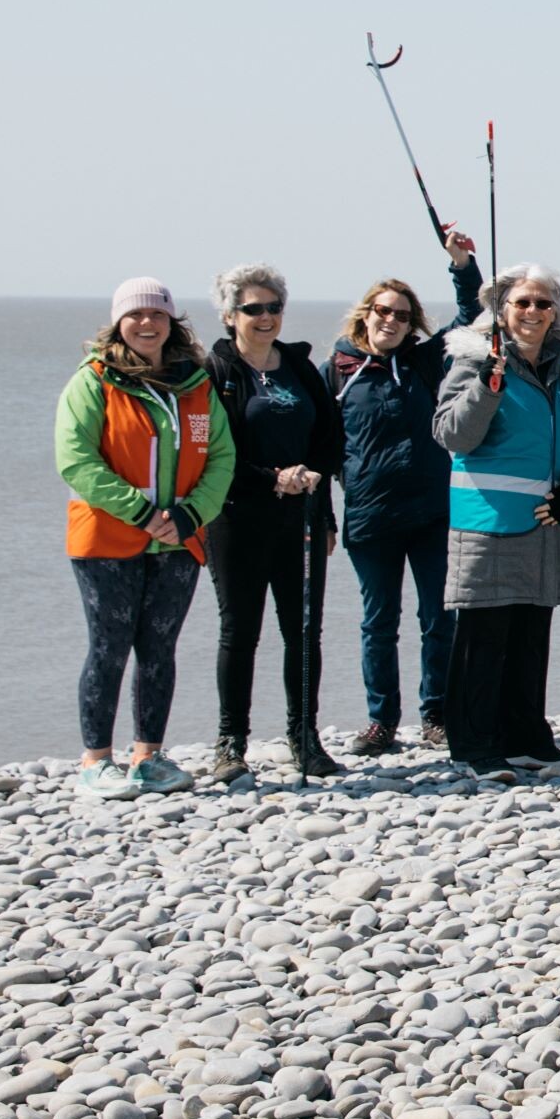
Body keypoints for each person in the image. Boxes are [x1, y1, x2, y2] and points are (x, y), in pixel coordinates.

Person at [56, 279, 230, 799]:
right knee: (109, 647)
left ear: (173, 324)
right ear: (119, 323)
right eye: (136, 316)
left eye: (158, 315)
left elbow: (220, 457)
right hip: (107, 540)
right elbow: (75, 459)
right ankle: (95, 761)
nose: (147, 324)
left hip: (179, 540)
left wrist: (191, 514)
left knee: (159, 647)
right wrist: (140, 510)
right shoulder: (93, 382)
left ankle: (148, 757)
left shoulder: (195, 385)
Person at [434, 264, 560, 770]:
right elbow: (451, 435)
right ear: (501, 309)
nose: (533, 311)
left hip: (551, 524)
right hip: (488, 523)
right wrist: (485, 390)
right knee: (483, 638)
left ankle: (527, 737)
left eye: (543, 303)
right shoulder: (474, 360)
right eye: (523, 303)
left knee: (531, 635)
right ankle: (475, 746)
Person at [331, 234, 484, 754]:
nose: (390, 321)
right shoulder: (339, 370)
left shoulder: (423, 362)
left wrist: (462, 264)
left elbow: (470, 315)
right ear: (364, 315)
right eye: (381, 311)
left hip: (432, 513)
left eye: (400, 314)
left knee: (439, 617)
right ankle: (381, 721)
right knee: (379, 623)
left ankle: (436, 713)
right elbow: (323, 445)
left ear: (411, 321)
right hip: (370, 518)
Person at [202, 263, 347, 782]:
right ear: (229, 315)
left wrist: (323, 509)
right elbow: (210, 455)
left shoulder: (299, 367)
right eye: (253, 309)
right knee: (240, 632)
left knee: (304, 632)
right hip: (238, 518)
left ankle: (304, 738)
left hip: (302, 518)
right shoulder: (216, 372)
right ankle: (230, 743)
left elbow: (329, 441)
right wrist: (271, 479)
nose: (265, 317)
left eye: (273, 308)